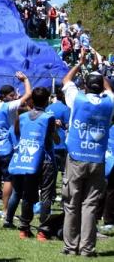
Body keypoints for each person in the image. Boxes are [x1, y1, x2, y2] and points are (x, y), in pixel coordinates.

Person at [60, 49, 114, 257]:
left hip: (75, 157)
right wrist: (100, 72)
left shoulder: (77, 99)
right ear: (102, 86)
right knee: (90, 205)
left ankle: (70, 247)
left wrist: (80, 63)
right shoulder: (110, 104)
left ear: (85, 86)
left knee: (71, 204)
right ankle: (87, 248)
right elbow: (109, 90)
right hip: (97, 159)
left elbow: (66, 80)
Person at [6, 87, 58, 240]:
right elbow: (54, 139)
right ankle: (43, 231)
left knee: (27, 195)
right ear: (47, 100)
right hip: (46, 160)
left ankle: (24, 229)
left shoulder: (22, 117)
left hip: (27, 160)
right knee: (46, 196)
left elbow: (17, 133)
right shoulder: (48, 118)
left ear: (32, 100)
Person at [0, 72, 31, 224]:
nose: (14, 97)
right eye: (12, 95)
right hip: (8, 149)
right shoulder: (8, 107)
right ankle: (5, 210)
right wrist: (25, 80)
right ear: (4, 96)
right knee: (7, 180)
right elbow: (28, 95)